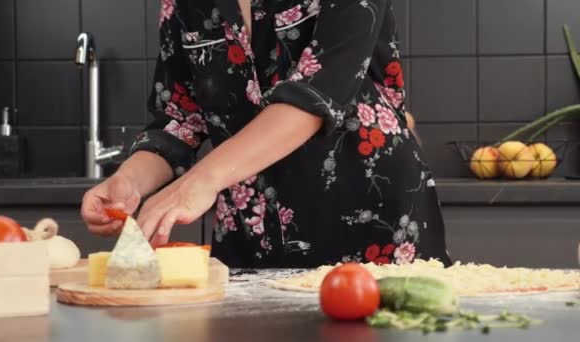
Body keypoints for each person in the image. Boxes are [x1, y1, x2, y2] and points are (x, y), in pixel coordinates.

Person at [81, 0, 452, 268]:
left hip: (373, 232)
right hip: (252, 243)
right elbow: (178, 119)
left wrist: (201, 180)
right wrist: (129, 180)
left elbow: (316, 94)